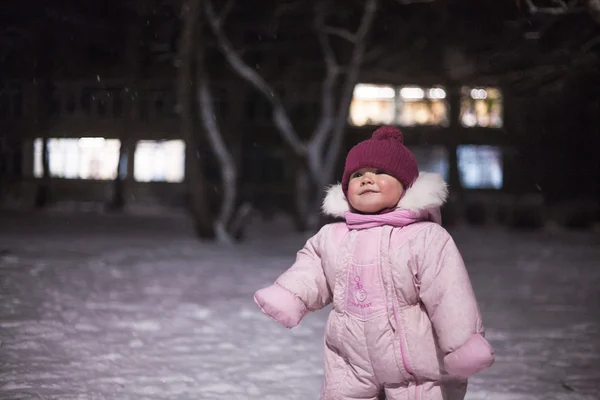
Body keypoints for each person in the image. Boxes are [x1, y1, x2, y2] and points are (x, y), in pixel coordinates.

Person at [254, 126, 495, 400]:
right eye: (358, 175)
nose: (367, 179)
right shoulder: (334, 236)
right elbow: (313, 269)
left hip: (416, 364)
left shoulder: (425, 237)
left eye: (380, 173)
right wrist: (290, 294)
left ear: (405, 186)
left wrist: (462, 345)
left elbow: (450, 295)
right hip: (351, 360)